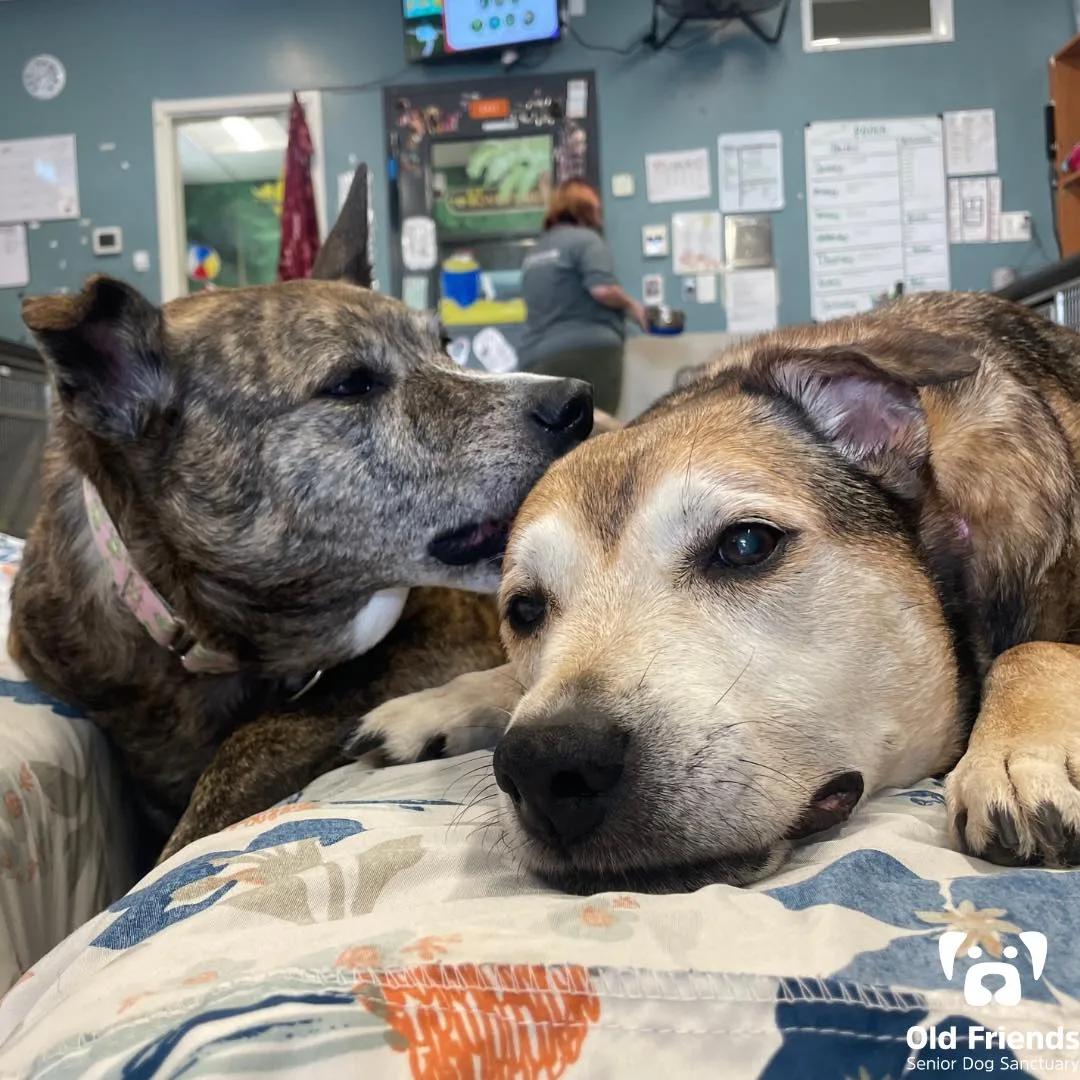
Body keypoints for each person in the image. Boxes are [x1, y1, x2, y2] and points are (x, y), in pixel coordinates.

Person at [518, 179, 647, 415]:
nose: (600, 214)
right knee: (597, 435)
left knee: (555, 442)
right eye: (597, 207)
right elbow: (602, 290)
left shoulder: (535, 252)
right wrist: (633, 306)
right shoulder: (586, 240)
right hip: (588, 353)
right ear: (583, 208)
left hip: (537, 359)